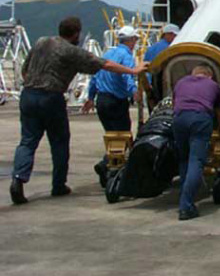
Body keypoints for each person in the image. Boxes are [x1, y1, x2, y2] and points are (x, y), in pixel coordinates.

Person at [10, 17, 146, 205]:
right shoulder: (72, 51)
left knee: (27, 141)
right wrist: (134, 71)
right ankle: (58, 184)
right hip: (52, 97)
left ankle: (18, 179)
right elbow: (104, 65)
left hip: (29, 95)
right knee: (59, 142)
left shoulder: (41, 42)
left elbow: (25, 71)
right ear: (76, 34)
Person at [83, 25, 142, 187]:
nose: (135, 43)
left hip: (101, 101)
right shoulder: (126, 56)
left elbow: (95, 78)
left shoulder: (107, 54)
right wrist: (134, 91)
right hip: (116, 101)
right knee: (122, 137)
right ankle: (108, 167)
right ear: (131, 40)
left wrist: (90, 98)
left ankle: (109, 167)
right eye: (135, 40)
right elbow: (127, 76)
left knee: (112, 136)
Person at [171, 64, 220, 221]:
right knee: (196, 161)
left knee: (184, 159)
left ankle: (185, 197)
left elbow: (175, 104)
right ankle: (186, 206)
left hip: (179, 119)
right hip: (200, 118)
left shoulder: (181, 82)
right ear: (209, 75)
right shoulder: (213, 85)